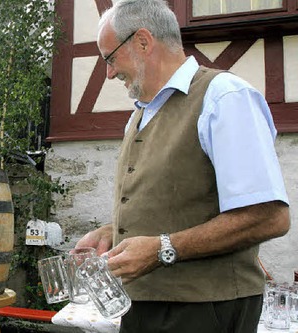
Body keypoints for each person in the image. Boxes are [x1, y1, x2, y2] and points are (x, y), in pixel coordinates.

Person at [74, 0, 291, 332]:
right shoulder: (139, 116)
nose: (109, 72)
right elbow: (174, 204)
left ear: (143, 42)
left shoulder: (223, 96)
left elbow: (269, 216)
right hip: (143, 307)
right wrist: (110, 232)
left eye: (110, 58)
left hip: (205, 311)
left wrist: (162, 248)